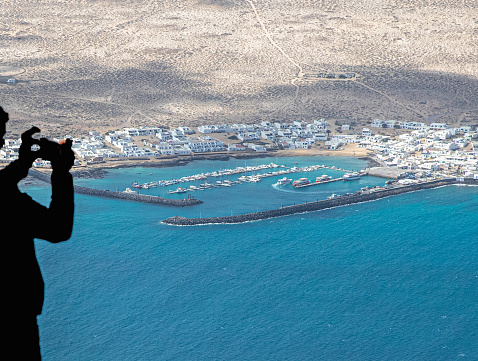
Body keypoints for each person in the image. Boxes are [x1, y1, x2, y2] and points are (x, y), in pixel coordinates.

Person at [0, 106, 75, 360]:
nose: (1, 143)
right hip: (12, 320)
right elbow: (58, 229)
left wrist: (22, 164)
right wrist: (61, 171)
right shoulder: (6, 203)